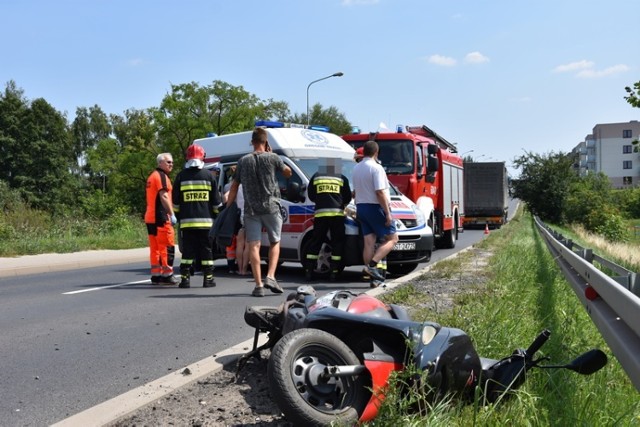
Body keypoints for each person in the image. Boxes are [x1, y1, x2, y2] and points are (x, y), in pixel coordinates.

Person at [226, 127, 292, 297]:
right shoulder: (273, 158)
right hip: (271, 206)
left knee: (253, 245)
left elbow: (234, 186)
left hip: (251, 209)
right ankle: (270, 276)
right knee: (274, 241)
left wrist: (227, 207)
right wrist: (274, 158)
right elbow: (288, 173)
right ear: (265, 142)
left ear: (252, 142)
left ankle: (258, 285)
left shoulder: (243, 161)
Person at [172, 144, 221, 288]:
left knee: (188, 251)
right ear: (202, 157)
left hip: (187, 224)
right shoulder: (208, 176)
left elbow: (175, 202)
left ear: (188, 158)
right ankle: (208, 279)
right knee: (206, 251)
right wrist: (217, 217)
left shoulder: (180, 176)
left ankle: (185, 280)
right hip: (206, 224)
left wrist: (179, 216)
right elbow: (216, 203)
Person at [352, 140, 399, 288]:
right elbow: (379, 192)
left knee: (369, 242)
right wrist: (387, 213)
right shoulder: (376, 168)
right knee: (393, 239)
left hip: (361, 207)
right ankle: (372, 266)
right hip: (375, 207)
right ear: (376, 152)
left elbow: (356, 191)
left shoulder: (356, 168)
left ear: (364, 152)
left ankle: (373, 279)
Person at [304, 158, 352, 281]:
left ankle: (309, 271)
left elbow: (311, 195)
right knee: (337, 242)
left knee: (316, 241)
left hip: (320, 214)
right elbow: (347, 197)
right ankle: (334, 272)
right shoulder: (341, 178)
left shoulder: (316, 177)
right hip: (337, 215)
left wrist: (321, 201)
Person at [145, 153, 179, 285]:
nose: (171, 164)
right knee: (167, 246)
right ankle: (167, 275)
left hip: (150, 217)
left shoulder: (152, 176)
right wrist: (172, 214)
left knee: (155, 248)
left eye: (172, 162)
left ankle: (156, 274)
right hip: (160, 217)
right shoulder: (161, 176)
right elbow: (164, 196)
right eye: (168, 162)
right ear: (160, 163)